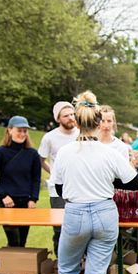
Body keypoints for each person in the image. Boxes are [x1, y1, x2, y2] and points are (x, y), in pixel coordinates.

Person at [52, 91, 138, 274]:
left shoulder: (64, 152)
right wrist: (110, 182)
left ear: (77, 121)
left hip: (75, 213)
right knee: (96, 272)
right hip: (105, 212)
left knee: (68, 269)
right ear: (99, 122)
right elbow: (135, 183)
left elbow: (60, 189)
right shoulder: (109, 153)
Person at [0, 116, 41, 247]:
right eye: (19, 130)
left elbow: (36, 178)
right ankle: (10, 266)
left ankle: (18, 266)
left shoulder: (32, 154)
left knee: (22, 242)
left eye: (25, 131)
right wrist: (2, 195)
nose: (22, 134)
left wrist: (33, 199)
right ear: (9, 130)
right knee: (14, 241)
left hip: (26, 203)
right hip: (7, 203)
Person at [38, 101, 79, 253]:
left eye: (72, 114)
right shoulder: (49, 137)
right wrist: (54, 173)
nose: (70, 118)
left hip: (79, 189)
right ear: (58, 119)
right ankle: (59, 263)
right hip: (58, 191)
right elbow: (40, 160)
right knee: (60, 228)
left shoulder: (81, 134)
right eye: (66, 115)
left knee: (78, 228)